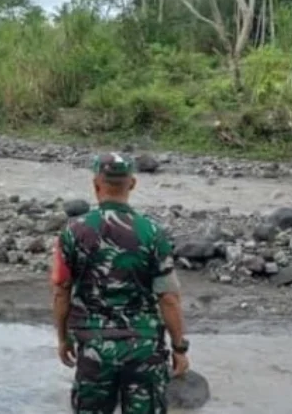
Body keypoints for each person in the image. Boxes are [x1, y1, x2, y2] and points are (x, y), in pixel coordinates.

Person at [51, 153, 189, 414]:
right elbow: (169, 297)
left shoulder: (72, 232)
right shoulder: (152, 232)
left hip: (94, 348)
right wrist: (179, 347)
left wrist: (63, 339)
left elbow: (61, 291)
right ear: (133, 183)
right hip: (144, 348)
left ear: (95, 184)